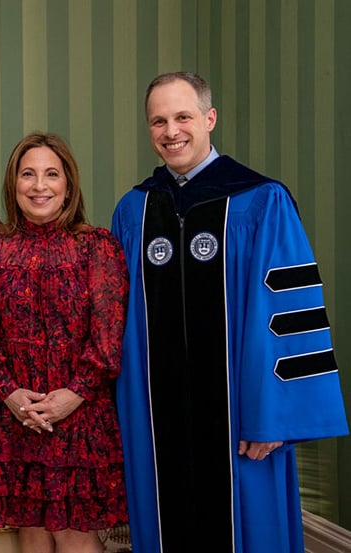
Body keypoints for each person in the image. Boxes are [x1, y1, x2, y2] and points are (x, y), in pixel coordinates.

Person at [111, 71, 348, 553]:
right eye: (158, 121)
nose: (171, 131)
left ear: (209, 118)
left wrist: (272, 420)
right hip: (155, 419)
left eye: (183, 116)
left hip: (242, 418)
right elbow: (118, 324)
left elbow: (286, 317)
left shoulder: (261, 202)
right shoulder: (134, 210)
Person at [0, 132, 129, 553]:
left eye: (51, 174)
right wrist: (9, 395)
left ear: (68, 185)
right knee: (33, 535)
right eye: (28, 174)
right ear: (13, 184)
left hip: (80, 418)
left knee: (74, 537)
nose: (39, 185)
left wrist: (72, 396)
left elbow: (108, 337)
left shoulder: (96, 247)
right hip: (15, 418)